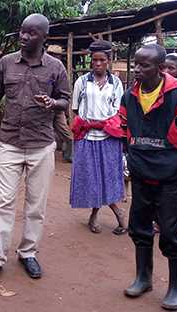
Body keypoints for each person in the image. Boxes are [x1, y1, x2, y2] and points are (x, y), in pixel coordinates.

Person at [0, 13, 70, 284]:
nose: (25, 36)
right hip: (10, 143)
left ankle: (28, 253)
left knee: (36, 205)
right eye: (23, 31)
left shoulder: (55, 68)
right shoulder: (6, 63)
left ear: (44, 37)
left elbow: (65, 100)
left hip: (41, 144)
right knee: (3, 202)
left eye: (32, 33)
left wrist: (52, 103)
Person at [119, 44, 177, 310]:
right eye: (136, 64)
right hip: (141, 174)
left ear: (160, 69)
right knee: (138, 227)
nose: (137, 69)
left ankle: (175, 287)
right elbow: (126, 132)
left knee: (170, 232)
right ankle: (143, 277)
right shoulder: (129, 96)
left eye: (143, 65)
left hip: (171, 177)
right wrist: (134, 161)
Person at [69, 40, 126, 235]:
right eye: (94, 60)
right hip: (87, 136)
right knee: (92, 178)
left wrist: (104, 124)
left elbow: (118, 112)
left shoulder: (116, 83)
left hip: (109, 137)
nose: (98, 64)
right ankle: (106, 214)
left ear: (109, 61)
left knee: (108, 176)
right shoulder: (81, 82)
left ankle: (113, 213)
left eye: (102, 60)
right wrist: (83, 127)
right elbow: (76, 110)